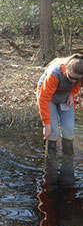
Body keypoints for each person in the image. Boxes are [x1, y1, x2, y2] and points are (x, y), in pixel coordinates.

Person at [37, 53, 83, 188]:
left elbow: (76, 86)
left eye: (77, 79)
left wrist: (72, 93)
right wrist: (46, 124)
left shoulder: (79, 76)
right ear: (67, 69)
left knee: (68, 130)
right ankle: (50, 164)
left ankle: (68, 161)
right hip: (47, 98)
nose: (74, 81)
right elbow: (44, 99)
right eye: (71, 78)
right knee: (53, 131)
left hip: (64, 96)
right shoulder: (54, 73)